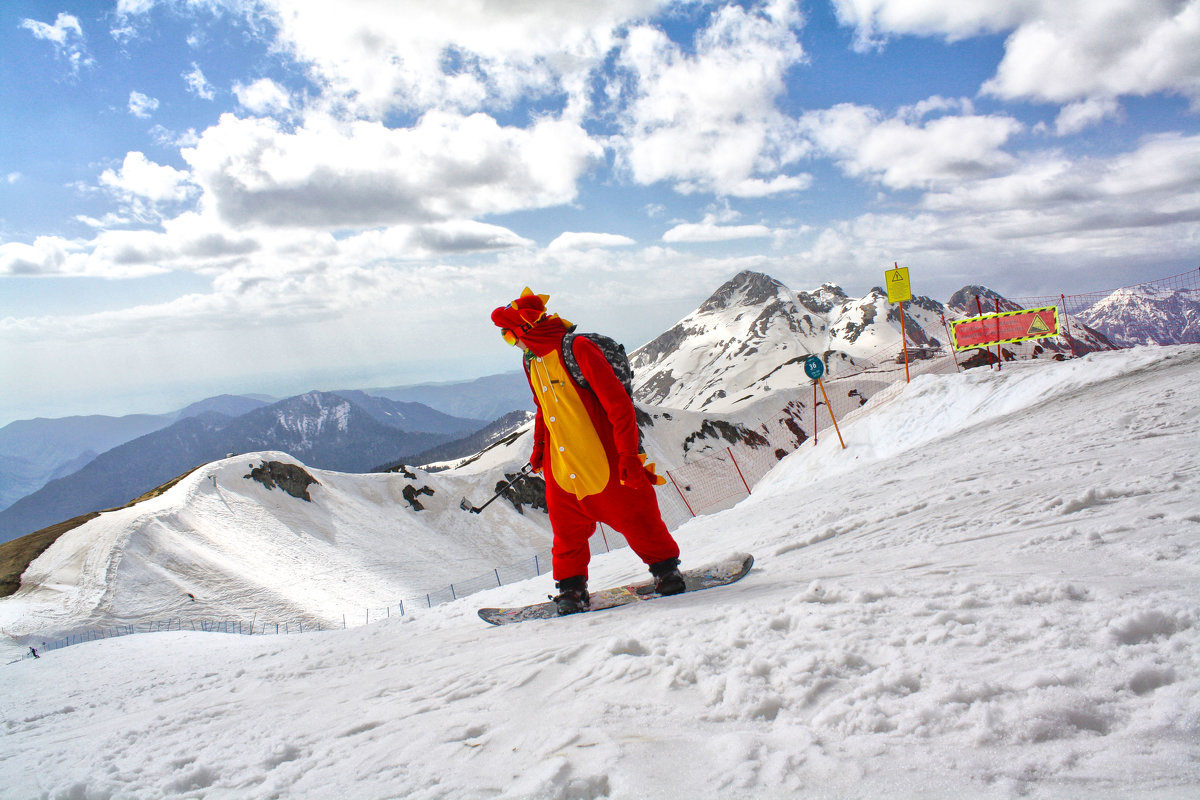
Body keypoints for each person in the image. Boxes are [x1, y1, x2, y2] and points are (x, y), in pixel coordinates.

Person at [492, 288, 685, 615]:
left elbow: (619, 406)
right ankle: (571, 590)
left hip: (604, 458)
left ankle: (666, 571)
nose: (513, 344)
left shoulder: (578, 349)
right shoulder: (531, 361)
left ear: (528, 329)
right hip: (561, 463)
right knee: (566, 533)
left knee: (636, 517)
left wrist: (627, 455)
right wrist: (540, 448)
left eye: (510, 336)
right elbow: (543, 407)